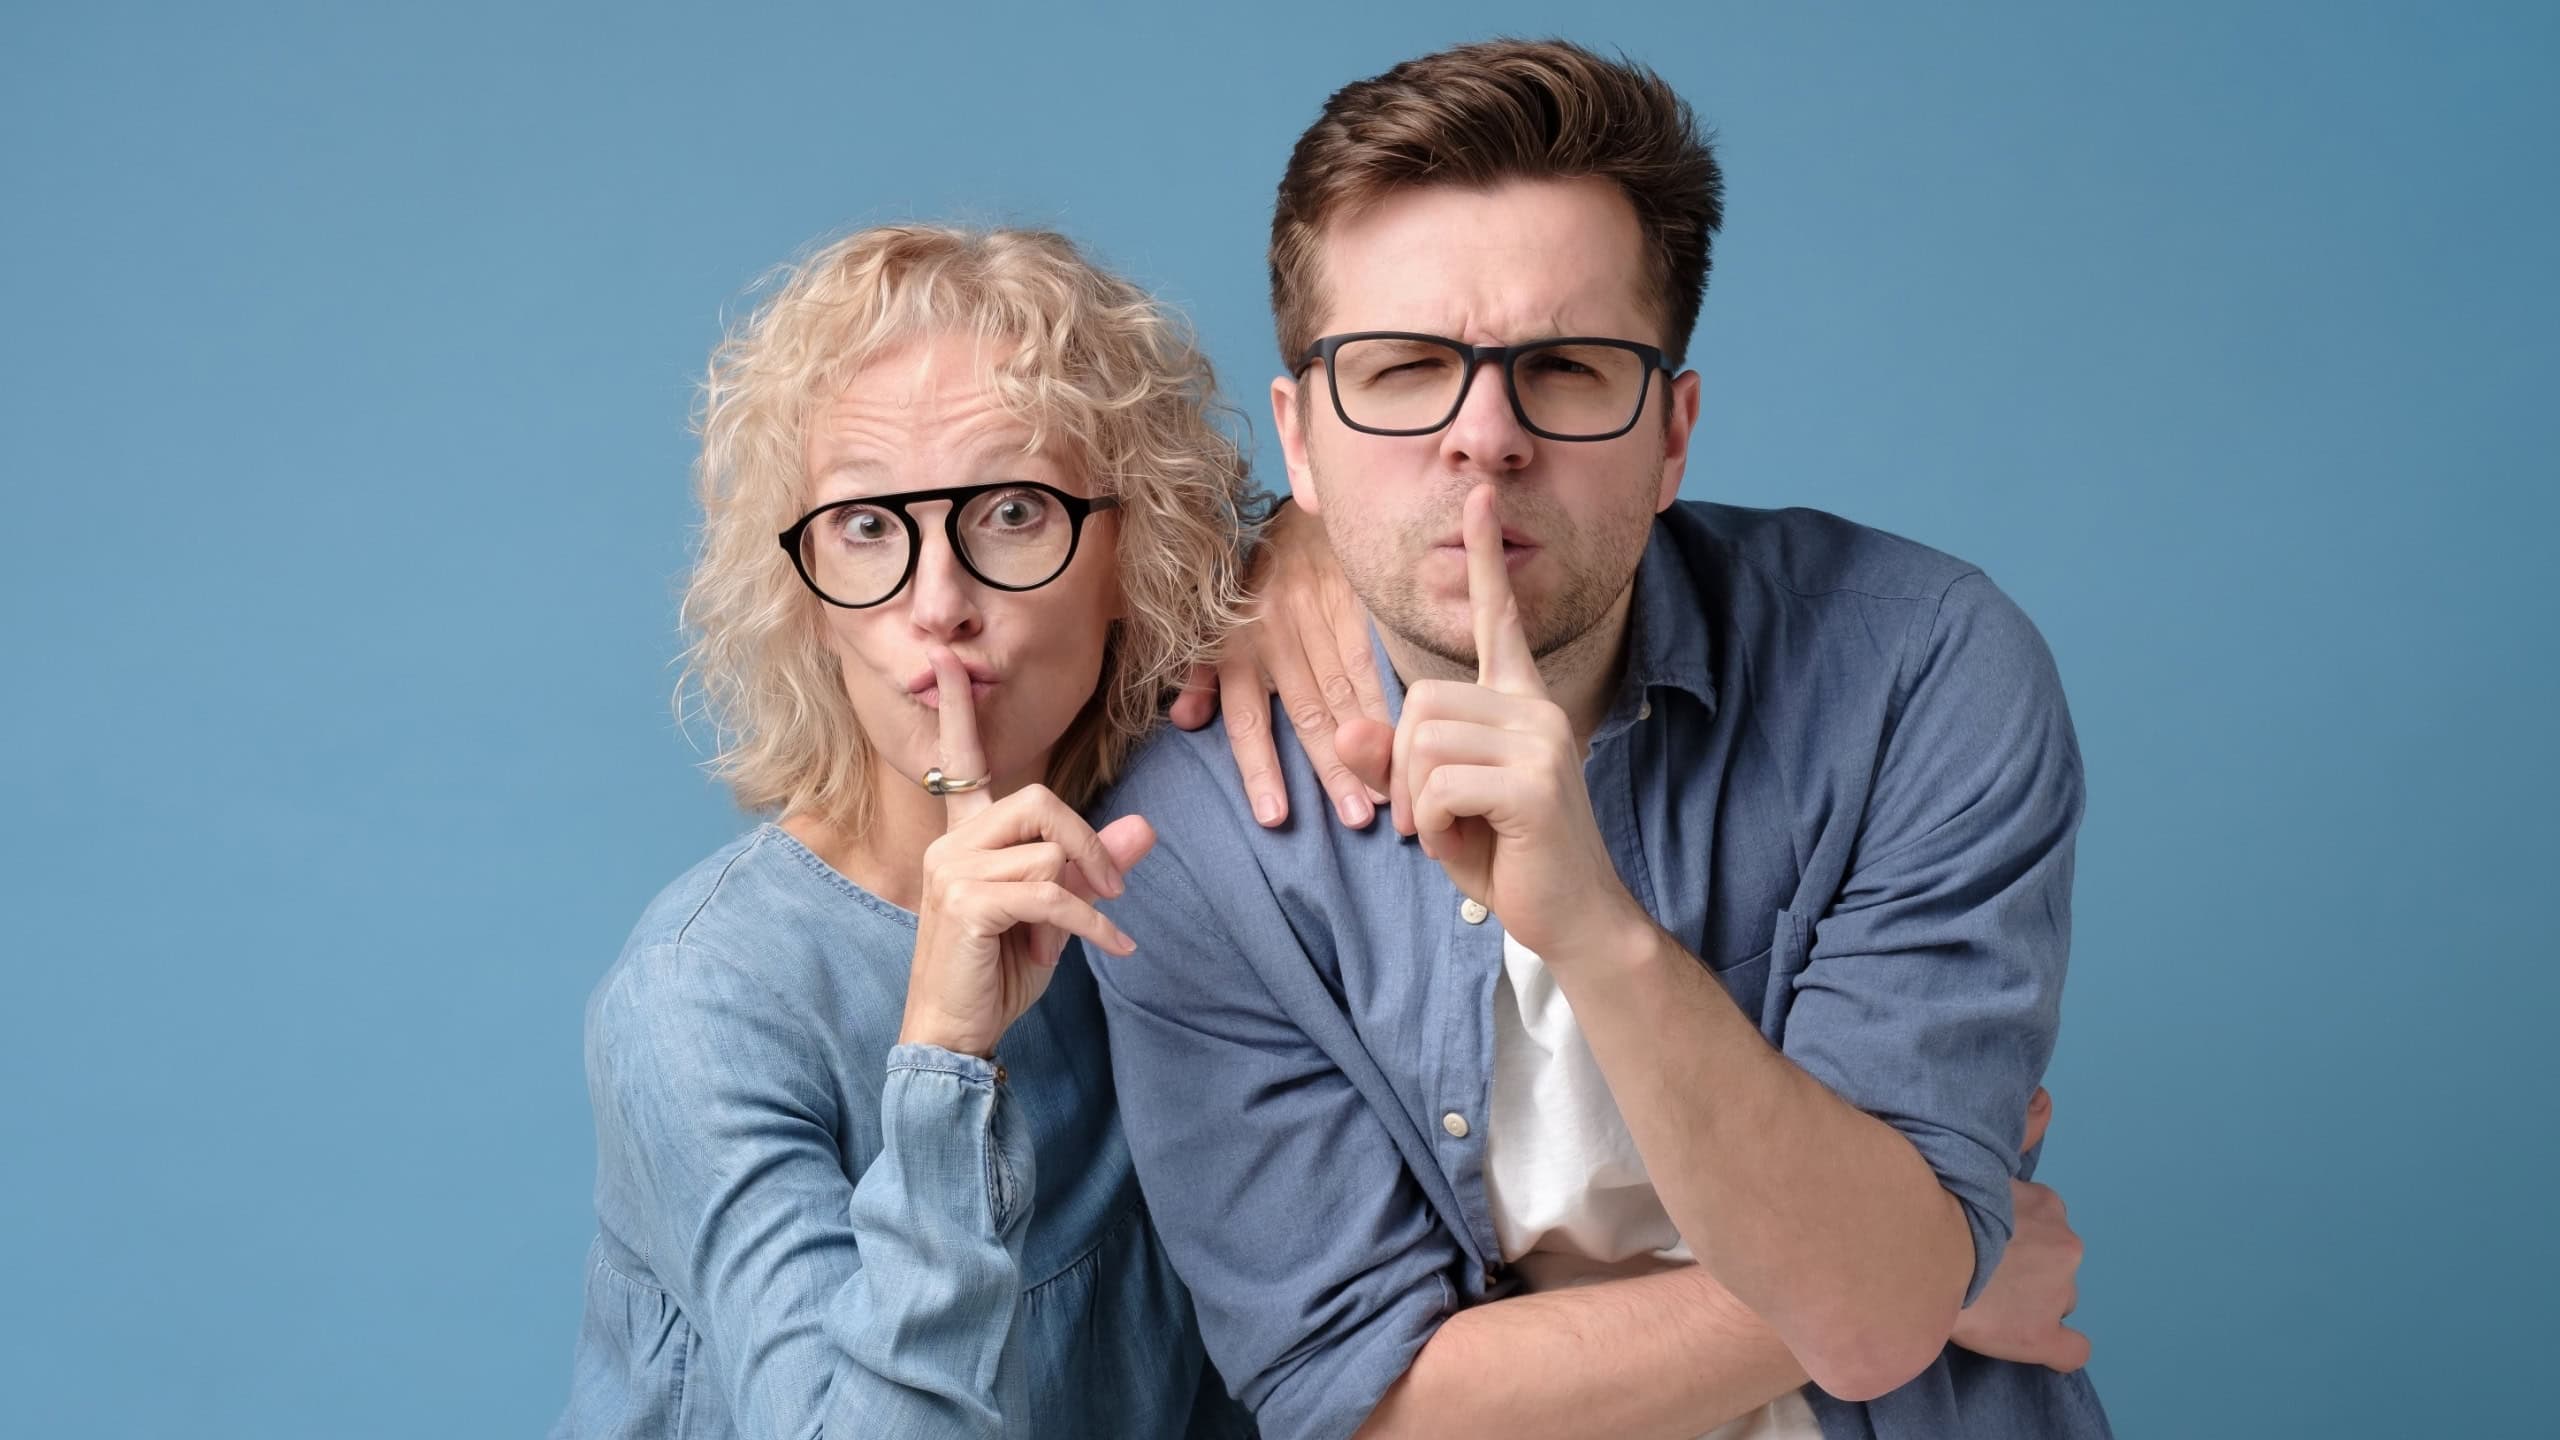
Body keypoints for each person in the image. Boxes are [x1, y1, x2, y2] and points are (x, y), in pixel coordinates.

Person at [1090, 39, 2112, 1440]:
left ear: (1675, 431)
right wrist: (1915, 1274)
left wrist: (1594, 927)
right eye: (1402, 370)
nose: (1485, 438)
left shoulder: (1917, 667)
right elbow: (1368, 1406)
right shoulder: (1192, 833)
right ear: (1302, 441)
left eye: (1567, 369)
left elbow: (1876, 1313)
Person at [548, 223, 1276, 1438]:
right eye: (868, 528)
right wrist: (943, 1054)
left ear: (1138, 548)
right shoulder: (700, 997)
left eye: (1009, 512)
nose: (938, 605)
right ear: (803, 596)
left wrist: (1293, 567)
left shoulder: (1194, 865)